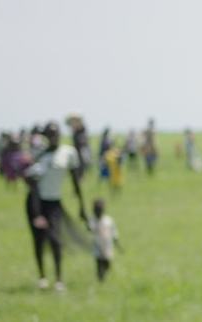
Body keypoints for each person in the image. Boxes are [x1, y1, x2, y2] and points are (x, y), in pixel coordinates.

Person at [24, 122, 87, 291]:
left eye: (56, 134)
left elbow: (75, 181)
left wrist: (82, 207)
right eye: (50, 135)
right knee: (38, 240)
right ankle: (42, 277)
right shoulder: (39, 154)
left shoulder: (68, 153)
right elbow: (31, 181)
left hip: (54, 202)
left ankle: (59, 279)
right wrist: (37, 213)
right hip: (36, 202)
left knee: (56, 240)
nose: (54, 137)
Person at [88, 199, 120, 283]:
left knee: (107, 262)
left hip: (107, 246)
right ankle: (100, 278)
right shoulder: (92, 220)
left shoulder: (108, 220)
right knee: (98, 263)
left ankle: (104, 273)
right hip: (97, 245)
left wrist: (117, 244)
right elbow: (90, 229)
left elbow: (114, 232)